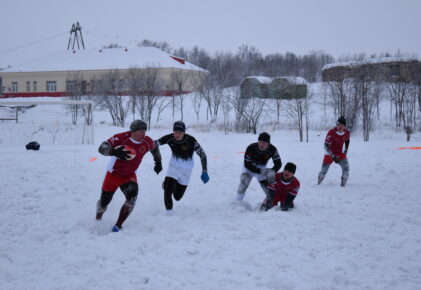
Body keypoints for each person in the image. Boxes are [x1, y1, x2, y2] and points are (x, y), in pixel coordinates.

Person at [95, 120, 162, 232]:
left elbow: (154, 148)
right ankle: (98, 219)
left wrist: (158, 162)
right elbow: (101, 148)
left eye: (145, 131)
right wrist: (113, 152)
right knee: (105, 201)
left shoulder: (147, 141)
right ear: (133, 131)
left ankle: (118, 225)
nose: (143, 134)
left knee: (132, 197)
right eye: (141, 131)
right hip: (113, 174)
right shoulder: (121, 138)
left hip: (129, 175)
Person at [155, 121, 209, 214]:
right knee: (168, 190)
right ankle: (169, 212)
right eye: (175, 132)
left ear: (184, 132)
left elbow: (203, 155)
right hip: (174, 168)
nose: (177, 135)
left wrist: (204, 171)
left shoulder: (191, 140)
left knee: (177, 197)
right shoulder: (169, 138)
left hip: (186, 171)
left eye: (180, 132)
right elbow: (155, 143)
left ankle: (167, 184)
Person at [236, 132, 282, 201]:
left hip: (262, 167)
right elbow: (247, 164)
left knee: (270, 186)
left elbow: (278, 163)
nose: (261, 144)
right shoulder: (251, 147)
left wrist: (272, 171)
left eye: (264, 142)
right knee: (244, 182)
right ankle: (238, 201)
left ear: (268, 143)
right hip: (249, 168)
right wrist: (260, 171)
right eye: (259, 142)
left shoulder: (273, 149)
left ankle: (271, 201)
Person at [317, 116, 350, 187]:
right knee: (323, 171)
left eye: (342, 125)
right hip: (329, 153)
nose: (340, 127)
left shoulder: (347, 133)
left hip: (339, 153)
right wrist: (332, 156)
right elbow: (326, 146)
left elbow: (347, 142)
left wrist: (344, 153)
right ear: (336, 125)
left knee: (346, 169)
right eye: (338, 124)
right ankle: (318, 183)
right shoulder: (332, 132)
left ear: (344, 126)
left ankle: (343, 186)